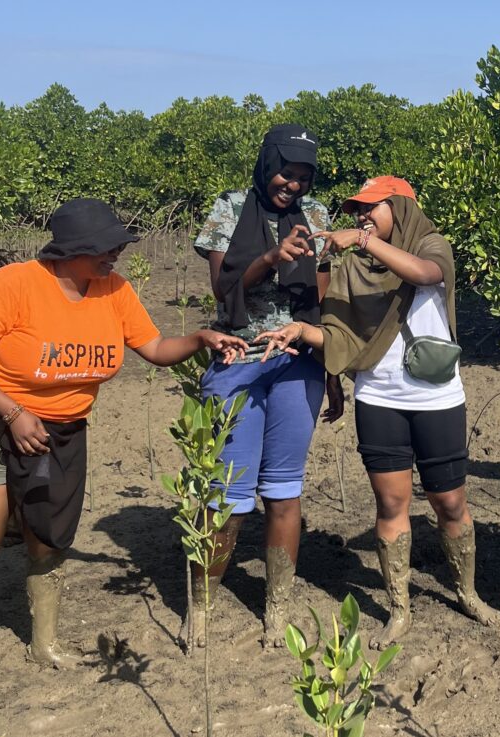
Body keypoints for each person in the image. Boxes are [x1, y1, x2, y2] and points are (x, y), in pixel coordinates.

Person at [0, 198, 248, 709]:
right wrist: (12, 413)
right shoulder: (13, 286)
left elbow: (155, 349)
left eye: (118, 247)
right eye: (105, 249)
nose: (114, 256)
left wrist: (201, 338)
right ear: (70, 250)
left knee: (48, 536)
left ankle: (44, 644)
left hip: (62, 431)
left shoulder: (114, 290)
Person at [257, 176, 500, 648]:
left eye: (372, 208)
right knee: (392, 505)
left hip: (437, 398)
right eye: (358, 212)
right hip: (380, 398)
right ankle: (399, 610)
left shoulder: (432, 244)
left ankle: (467, 593)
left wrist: (364, 240)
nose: (362, 217)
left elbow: (428, 274)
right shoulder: (352, 268)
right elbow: (340, 336)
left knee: (450, 504)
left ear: (401, 207)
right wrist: (302, 333)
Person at [191, 124, 338, 648]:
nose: (292, 185)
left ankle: (277, 608)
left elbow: (321, 299)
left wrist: (333, 373)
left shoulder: (317, 215)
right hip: (237, 358)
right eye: (285, 172)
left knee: (283, 489)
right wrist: (271, 259)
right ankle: (202, 605)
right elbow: (222, 286)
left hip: (298, 363)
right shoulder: (229, 208)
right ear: (266, 163)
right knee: (226, 493)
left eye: (302, 177)